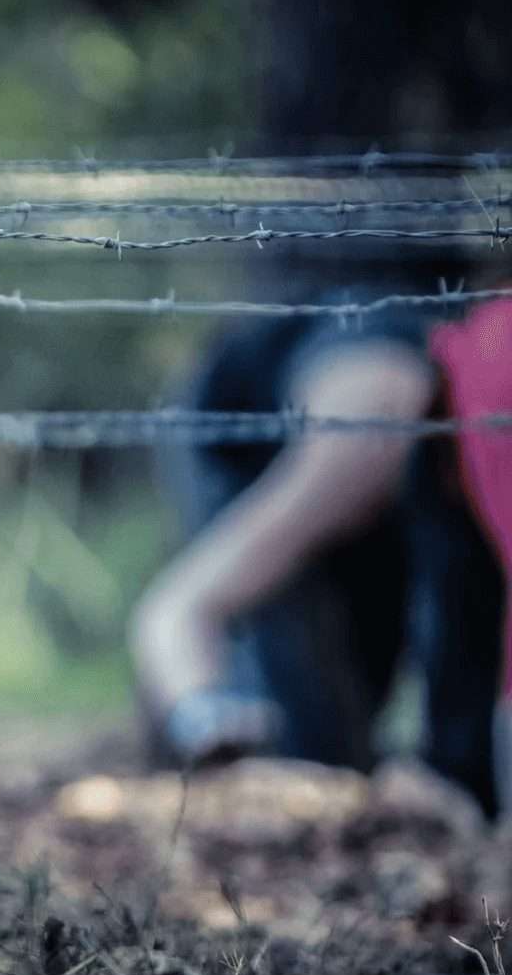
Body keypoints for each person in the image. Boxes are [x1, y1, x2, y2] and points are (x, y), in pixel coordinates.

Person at [130, 300, 510, 817]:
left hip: (402, 417)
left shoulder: (459, 399)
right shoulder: (369, 429)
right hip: (346, 422)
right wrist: (211, 723)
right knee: (312, 756)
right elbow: (175, 610)